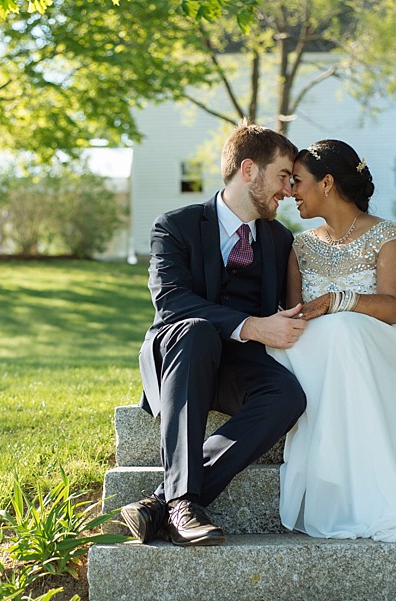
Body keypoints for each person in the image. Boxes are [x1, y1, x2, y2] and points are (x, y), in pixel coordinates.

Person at [267, 139, 396, 542]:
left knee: (345, 328)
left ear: (327, 183)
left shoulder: (387, 236)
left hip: (382, 349)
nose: (291, 192)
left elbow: (395, 309)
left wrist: (338, 300)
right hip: (319, 358)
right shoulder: (301, 246)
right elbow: (296, 315)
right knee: (321, 335)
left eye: (298, 182)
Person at [120, 121, 309, 547]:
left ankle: (160, 502)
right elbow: (170, 301)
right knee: (199, 331)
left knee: (287, 396)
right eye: (283, 176)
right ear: (249, 170)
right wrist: (253, 326)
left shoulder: (280, 240)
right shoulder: (176, 225)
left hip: (236, 365)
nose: (289, 190)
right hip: (180, 355)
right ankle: (185, 504)